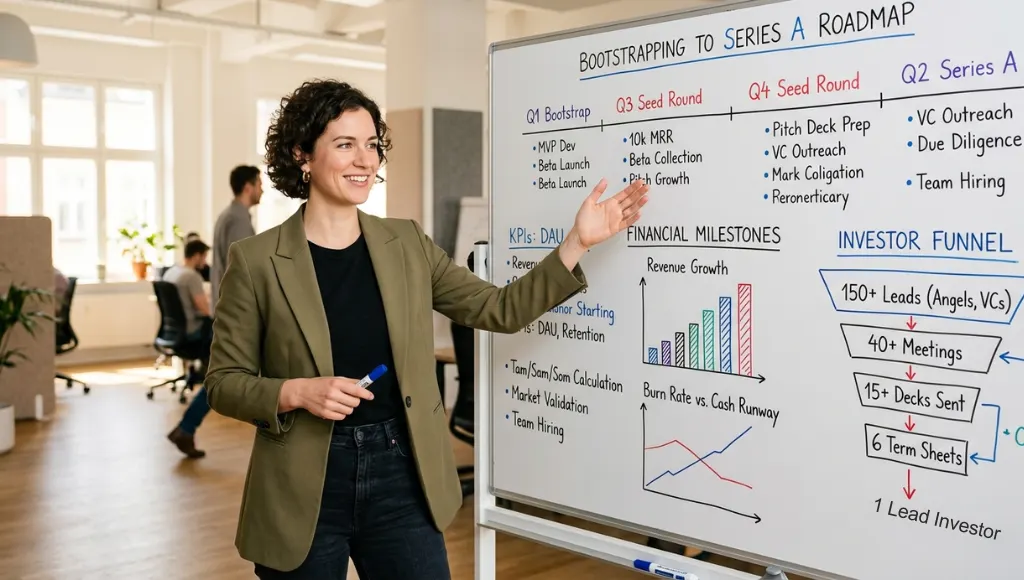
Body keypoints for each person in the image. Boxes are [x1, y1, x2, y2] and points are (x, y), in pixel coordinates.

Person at [204, 79, 649, 579]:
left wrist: (576, 243)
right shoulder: (257, 261)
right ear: (302, 155)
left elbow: (498, 308)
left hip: (402, 473)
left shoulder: (407, 243)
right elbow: (224, 383)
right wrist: (297, 391)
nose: (364, 160)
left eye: (371, 145)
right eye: (344, 144)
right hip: (303, 483)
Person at [163, 239, 214, 458]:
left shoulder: (171, 272)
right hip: (195, 334)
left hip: (176, 334)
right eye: (204, 257)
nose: (205, 262)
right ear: (197, 256)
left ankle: (185, 429)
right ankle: (186, 429)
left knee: (217, 375)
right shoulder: (192, 276)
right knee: (220, 375)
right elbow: (205, 310)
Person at [210, 165, 262, 314]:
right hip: (235, 308)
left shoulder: (228, 214)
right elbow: (240, 268)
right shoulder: (238, 220)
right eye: (259, 185)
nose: (262, 190)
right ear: (248, 187)